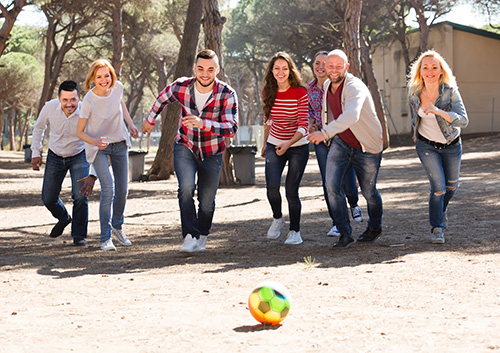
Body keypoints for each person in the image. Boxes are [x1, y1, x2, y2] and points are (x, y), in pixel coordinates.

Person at [142, 49, 238, 253]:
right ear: (195, 68)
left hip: (213, 152)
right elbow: (162, 98)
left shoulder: (227, 93)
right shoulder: (182, 86)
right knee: (186, 188)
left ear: (217, 70)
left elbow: (231, 127)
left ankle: (202, 235)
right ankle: (189, 235)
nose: (205, 74)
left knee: (207, 202)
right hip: (185, 145)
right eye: (201, 69)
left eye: (210, 69)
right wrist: (150, 119)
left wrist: (203, 123)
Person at [307, 49, 384, 249]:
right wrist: (322, 127)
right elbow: (329, 112)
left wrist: (324, 133)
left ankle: (375, 227)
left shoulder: (355, 87)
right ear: (325, 67)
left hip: (366, 145)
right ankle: (344, 232)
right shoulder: (326, 85)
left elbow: (351, 115)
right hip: (342, 142)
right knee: (331, 186)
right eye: (330, 66)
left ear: (346, 67)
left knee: (369, 192)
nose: (333, 70)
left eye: (338, 66)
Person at [76, 59, 139, 251]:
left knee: (123, 190)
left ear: (112, 75)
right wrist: (96, 142)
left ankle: (117, 228)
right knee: (108, 188)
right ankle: (105, 238)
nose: (104, 80)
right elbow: (79, 132)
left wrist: (130, 124)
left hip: (119, 144)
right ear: (93, 79)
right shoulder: (88, 100)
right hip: (99, 148)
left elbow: (121, 105)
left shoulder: (118, 87)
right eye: (99, 77)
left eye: (107, 75)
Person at [408, 50, 468, 244]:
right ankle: (436, 228)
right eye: (425, 67)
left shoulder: (450, 91)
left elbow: (464, 120)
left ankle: (441, 210)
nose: (430, 71)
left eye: (434, 67)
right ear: (420, 71)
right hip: (427, 145)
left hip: (451, 144)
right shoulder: (414, 92)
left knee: (452, 186)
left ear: (441, 71)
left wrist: (438, 111)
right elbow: (415, 116)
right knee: (438, 188)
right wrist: (415, 133)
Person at [31, 80, 96, 246]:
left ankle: (79, 235)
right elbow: (39, 128)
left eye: (73, 99)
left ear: (79, 98)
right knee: (48, 198)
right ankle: (64, 217)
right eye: (65, 100)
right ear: (59, 98)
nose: (69, 104)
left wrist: (94, 170)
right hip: (55, 155)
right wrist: (36, 153)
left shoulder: (85, 110)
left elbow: (95, 136)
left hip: (79, 155)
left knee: (80, 195)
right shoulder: (49, 107)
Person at [307, 51, 362, 238]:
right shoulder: (310, 89)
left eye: (325, 63)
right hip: (322, 139)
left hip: (342, 137)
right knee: (328, 181)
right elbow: (309, 112)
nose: (321, 66)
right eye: (317, 62)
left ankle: (353, 203)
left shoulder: (341, 85)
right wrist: (311, 124)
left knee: (347, 179)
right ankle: (337, 222)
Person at [261, 52, 309, 245]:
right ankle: (277, 218)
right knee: (272, 187)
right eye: (276, 68)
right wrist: (265, 143)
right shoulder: (268, 91)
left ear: (290, 71)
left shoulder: (300, 92)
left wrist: (287, 144)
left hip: (297, 146)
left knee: (291, 191)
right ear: (272, 71)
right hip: (274, 143)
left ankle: (295, 231)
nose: (280, 72)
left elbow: (303, 125)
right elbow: (267, 121)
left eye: (284, 68)